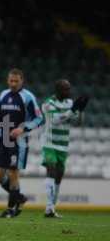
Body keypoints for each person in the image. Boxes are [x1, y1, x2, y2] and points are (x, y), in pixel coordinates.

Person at [0, 68, 44, 218]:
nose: (13, 84)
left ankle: (11, 208)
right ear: (7, 80)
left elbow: (39, 119)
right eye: (11, 81)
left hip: (18, 143)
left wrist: (23, 128)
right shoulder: (3, 95)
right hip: (2, 140)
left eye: (16, 81)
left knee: (13, 174)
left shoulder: (28, 97)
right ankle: (19, 197)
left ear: (21, 81)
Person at [41, 80, 89, 218]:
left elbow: (78, 122)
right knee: (51, 169)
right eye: (65, 89)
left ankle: (51, 208)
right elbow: (56, 120)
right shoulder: (48, 103)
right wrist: (73, 109)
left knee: (59, 176)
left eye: (69, 88)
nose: (69, 92)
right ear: (57, 90)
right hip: (50, 143)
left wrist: (81, 111)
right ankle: (49, 208)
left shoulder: (69, 103)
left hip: (63, 145)